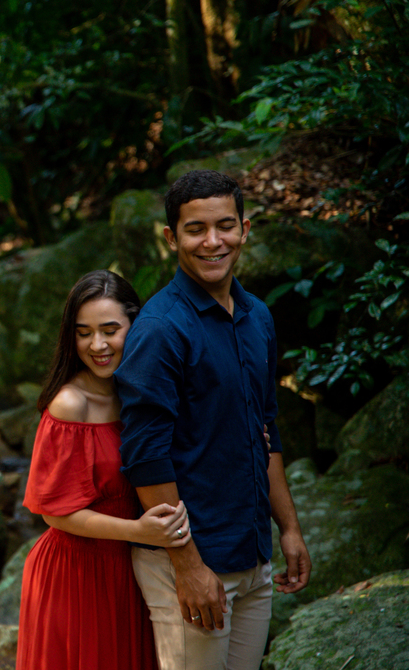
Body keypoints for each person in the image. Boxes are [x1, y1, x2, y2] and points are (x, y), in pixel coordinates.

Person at [116, 169, 311, 670]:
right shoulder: (160, 329)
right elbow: (146, 458)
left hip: (251, 550)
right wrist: (189, 566)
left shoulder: (258, 317)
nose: (212, 241)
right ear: (170, 238)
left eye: (225, 226)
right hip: (193, 561)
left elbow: (264, 428)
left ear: (245, 230)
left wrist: (287, 528)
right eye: (195, 229)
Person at [17, 269, 192, 670]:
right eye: (83, 333)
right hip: (76, 573)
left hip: (131, 568)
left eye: (110, 330)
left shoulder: (141, 392)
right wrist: (138, 531)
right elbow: (55, 511)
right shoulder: (70, 405)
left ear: (136, 325)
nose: (97, 345)